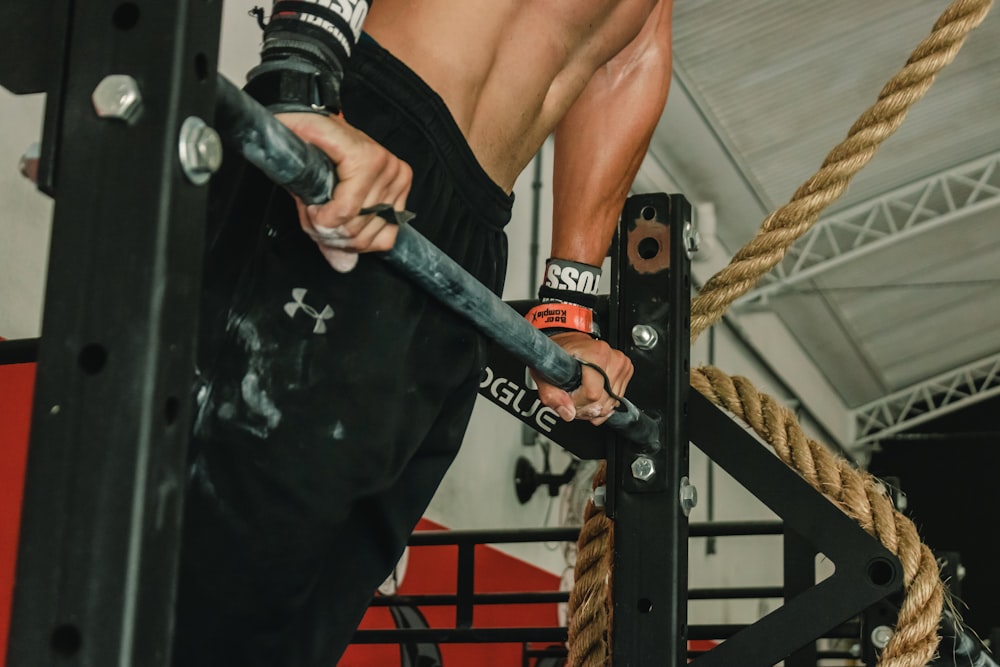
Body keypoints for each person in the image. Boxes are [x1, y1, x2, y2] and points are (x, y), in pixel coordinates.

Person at [172, 1, 674, 665]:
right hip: (363, 135)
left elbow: (628, 57)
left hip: (470, 240)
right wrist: (301, 73)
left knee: (308, 620)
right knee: (204, 590)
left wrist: (567, 307)